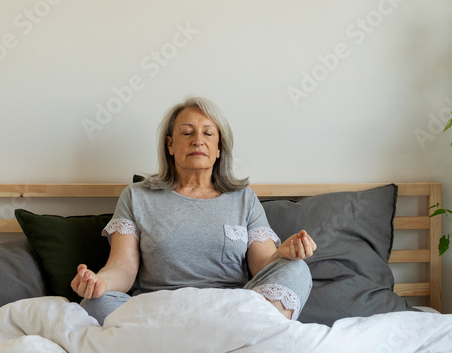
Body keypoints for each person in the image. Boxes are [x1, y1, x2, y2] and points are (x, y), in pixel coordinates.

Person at [74, 96, 316, 324]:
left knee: (297, 270)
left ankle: (197, 340)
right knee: (95, 302)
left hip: (230, 311)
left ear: (219, 148)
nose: (198, 140)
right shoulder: (136, 196)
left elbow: (262, 265)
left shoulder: (244, 198)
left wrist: (283, 255)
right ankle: (229, 342)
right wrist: (99, 282)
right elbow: (123, 267)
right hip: (159, 312)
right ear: (170, 145)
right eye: (187, 132)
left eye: (208, 133)